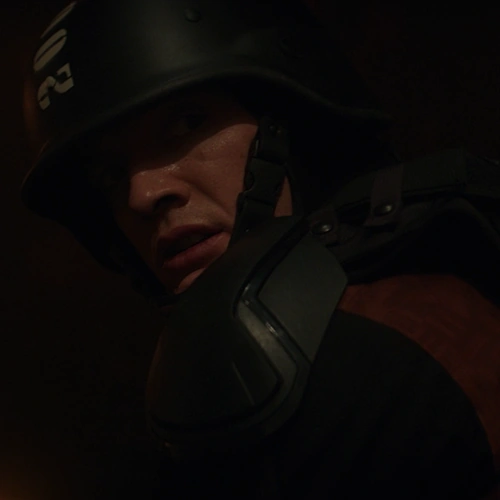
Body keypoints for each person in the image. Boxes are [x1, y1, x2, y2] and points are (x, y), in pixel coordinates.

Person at [21, 0, 500, 498]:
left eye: (186, 122)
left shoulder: (375, 351)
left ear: (292, 122)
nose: (141, 195)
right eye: (109, 174)